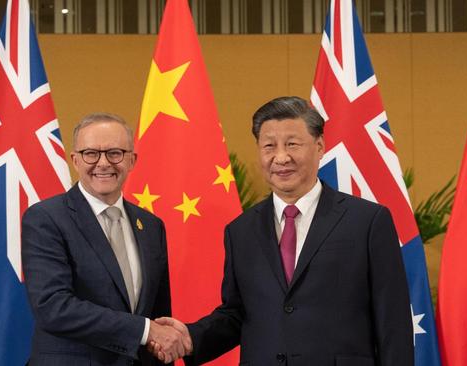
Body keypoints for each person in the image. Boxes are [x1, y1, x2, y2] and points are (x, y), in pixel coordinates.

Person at [152, 96, 414, 365]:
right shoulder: (241, 230)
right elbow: (237, 314)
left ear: (320, 146)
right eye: (269, 146)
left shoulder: (367, 221)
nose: (280, 157)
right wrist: (191, 338)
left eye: (292, 144)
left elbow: (392, 322)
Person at [22, 113, 190, 365]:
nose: (103, 163)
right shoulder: (46, 218)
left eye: (115, 153)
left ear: (132, 160)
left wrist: (160, 338)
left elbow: (157, 314)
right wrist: (145, 330)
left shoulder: (152, 226)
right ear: (75, 160)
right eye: (91, 153)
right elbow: (53, 307)